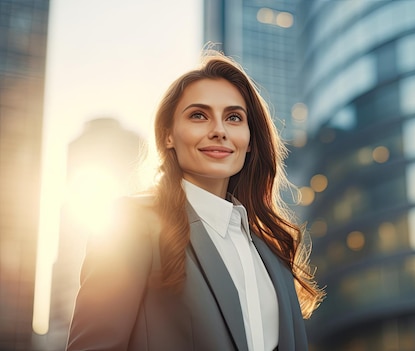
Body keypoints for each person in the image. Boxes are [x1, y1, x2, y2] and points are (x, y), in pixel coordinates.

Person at [66, 50, 324, 351]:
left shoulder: (274, 247)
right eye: (198, 115)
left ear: (251, 139)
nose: (218, 131)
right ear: (168, 136)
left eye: (234, 118)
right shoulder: (132, 223)